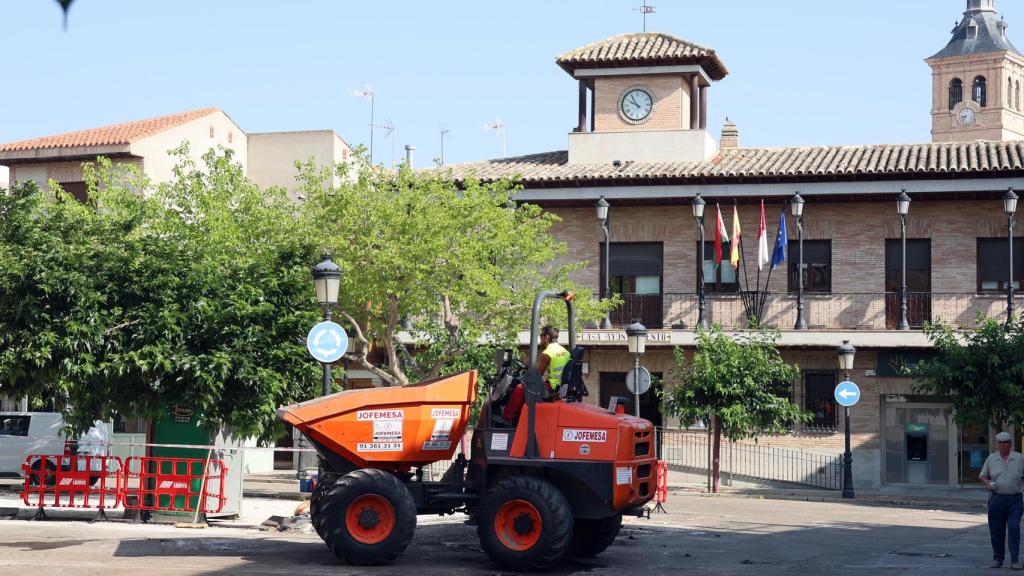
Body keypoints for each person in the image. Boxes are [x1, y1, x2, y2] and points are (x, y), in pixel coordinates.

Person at [501, 325, 570, 422]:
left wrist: (529, 366)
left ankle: (506, 418)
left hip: (553, 387)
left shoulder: (547, 353)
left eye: (541, 335)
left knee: (520, 388)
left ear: (546, 337)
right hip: (561, 385)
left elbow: (537, 375)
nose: (540, 337)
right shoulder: (564, 351)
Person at [980, 431, 1024, 570]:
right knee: (996, 530)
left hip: (1015, 499)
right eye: (1001, 443)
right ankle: (998, 559)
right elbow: (982, 475)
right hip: (997, 498)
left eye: (1006, 442)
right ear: (997, 444)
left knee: (1013, 527)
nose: (1004, 445)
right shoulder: (991, 458)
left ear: (1011, 444)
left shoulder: (1019, 458)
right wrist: (987, 483)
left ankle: (1015, 561)